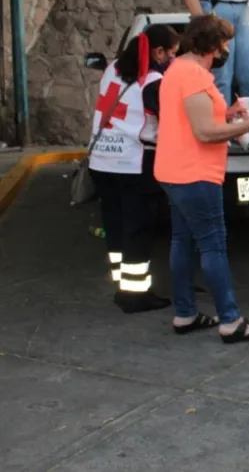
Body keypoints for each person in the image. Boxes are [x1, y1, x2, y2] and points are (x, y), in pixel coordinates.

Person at [154, 15, 249, 344]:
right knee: (212, 246)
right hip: (195, 175)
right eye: (224, 43)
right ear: (211, 45)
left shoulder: (178, 70)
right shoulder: (193, 75)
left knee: (182, 242)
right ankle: (231, 321)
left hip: (174, 172)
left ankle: (185, 313)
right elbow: (204, 132)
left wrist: (228, 114)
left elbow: (191, 118)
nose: (227, 50)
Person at [89, 24, 179, 313]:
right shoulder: (152, 80)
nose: (171, 60)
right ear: (158, 51)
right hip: (134, 163)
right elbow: (171, 119)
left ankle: (121, 284)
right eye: (171, 54)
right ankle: (135, 294)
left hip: (102, 161)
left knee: (115, 225)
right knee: (137, 229)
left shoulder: (113, 68)